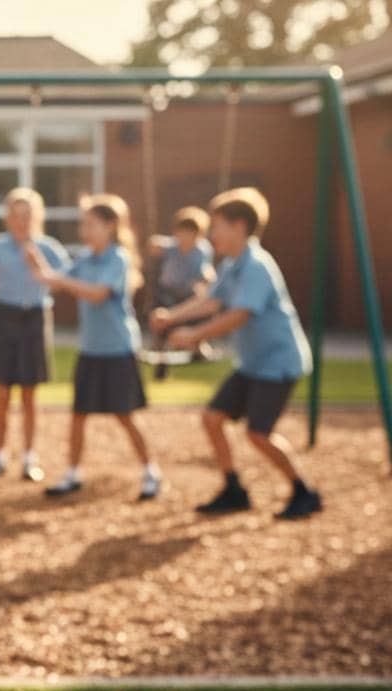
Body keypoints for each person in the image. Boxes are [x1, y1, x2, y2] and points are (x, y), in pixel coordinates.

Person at [151, 187, 321, 520]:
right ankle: (233, 488)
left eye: (217, 227)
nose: (211, 234)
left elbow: (239, 315)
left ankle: (303, 491)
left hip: (277, 362)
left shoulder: (257, 265)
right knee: (212, 418)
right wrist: (171, 318)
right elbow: (212, 301)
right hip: (253, 363)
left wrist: (194, 335)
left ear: (239, 226)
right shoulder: (232, 265)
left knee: (258, 434)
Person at [25, 193, 162, 501]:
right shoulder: (85, 259)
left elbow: (98, 293)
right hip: (90, 349)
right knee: (78, 414)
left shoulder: (118, 259)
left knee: (125, 416)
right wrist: (40, 265)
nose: (84, 231)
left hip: (117, 350)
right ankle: (72, 473)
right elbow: (58, 282)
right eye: (82, 224)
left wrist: (51, 275)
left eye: (90, 224)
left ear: (110, 226)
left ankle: (151, 473)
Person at [0, 187, 70, 482]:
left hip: (34, 318)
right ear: (7, 218)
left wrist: (43, 269)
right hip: (3, 318)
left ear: (37, 217)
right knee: (2, 393)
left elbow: (66, 280)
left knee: (29, 393)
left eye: (28, 215)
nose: (22, 221)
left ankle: (28, 457)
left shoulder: (47, 247)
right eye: (16, 215)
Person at [145, 206, 217, 377]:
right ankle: (161, 354)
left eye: (190, 234)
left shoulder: (201, 251)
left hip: (187, 295)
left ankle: (198, 347)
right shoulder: (172, 246)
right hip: (166, 293)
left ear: (198, 235)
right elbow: (155, 245)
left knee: (198, 314)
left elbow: (206, 272)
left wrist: (207, 279)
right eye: (182, 233)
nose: (185, 238)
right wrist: (153, 243)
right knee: (162, 322)